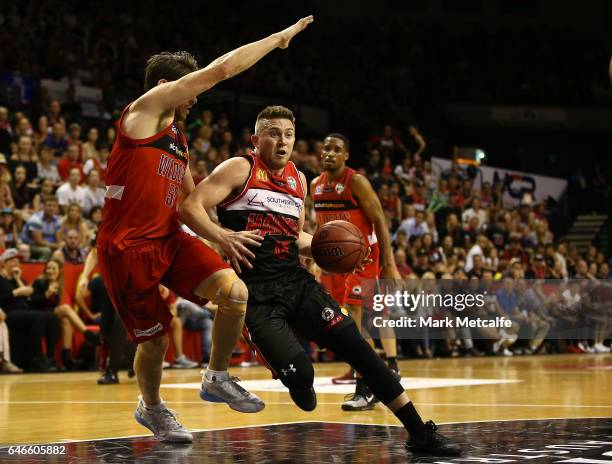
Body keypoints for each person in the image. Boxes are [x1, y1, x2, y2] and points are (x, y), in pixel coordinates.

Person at [180, 106, 461, 456]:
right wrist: (222, 237)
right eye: (272, 132)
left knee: (362, 352)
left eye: (288, 133)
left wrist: (328, 249)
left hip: (297, 283)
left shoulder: (298, 180)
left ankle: (420, 432)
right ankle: (291, 373)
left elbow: (295, 236)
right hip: (256, 295)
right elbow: (190, 207)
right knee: (303, 378)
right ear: (256, 139)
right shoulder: (240, 168)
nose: (281, 140)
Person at [96, 17, 314, 443]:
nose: (195, 99)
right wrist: (277, 39)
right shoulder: (143, 113)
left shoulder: (176, 135)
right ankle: (152, 408)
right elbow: (222, 70)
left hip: (169, 239)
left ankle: (216, 376)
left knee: (235, 293)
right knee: (155, 343)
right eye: (188, 88)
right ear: (164, 85)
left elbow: (188, 198)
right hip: (128, 247)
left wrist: (220, 235)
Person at [311, 133, 401, 411]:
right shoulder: (315, 185)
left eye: (337, 149)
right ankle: (376, 372)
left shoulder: (356, 182)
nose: (330, 153)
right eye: (326, 148)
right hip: (334, 261)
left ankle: (366, 387)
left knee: (357, 319)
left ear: (346, 155)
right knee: (344, 322)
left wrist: (390, 264)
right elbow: (322, 228)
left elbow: (379, 221)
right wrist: (315, 257)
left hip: (363, 258)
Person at [30, 258, 99, 370]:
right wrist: (47, 294)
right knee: (66, 308)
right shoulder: (39, 282)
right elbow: (33, 302)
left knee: (66, 321)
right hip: (39, 315)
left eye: (53, 268)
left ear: (59, 271)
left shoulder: (58, 285)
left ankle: (67, 359)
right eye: (48, 268)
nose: (50, 271)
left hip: (51, 316)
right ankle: (89, 334)